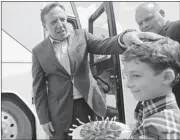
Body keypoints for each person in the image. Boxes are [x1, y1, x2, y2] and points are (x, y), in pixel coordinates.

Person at [32, 2, 161, 139]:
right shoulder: (38, 51)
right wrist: (43, 119)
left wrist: (123, 38)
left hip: (89, 104)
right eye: (53, 22)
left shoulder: (81, 36)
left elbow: (104, 44)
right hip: (59, 111)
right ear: (45, 26)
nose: (60, 24)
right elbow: (38, 89)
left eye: (62, 19)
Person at [122, 37, 180, 139]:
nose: (128, 84)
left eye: (136, 75)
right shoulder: (148, 102)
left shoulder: (161, 129)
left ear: (166, 77)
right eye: (126, 76)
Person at [135, 2, 180, 108]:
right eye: (140, 23)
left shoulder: (177, 27)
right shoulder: (148, 41)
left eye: (148, 19)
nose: (144, 25)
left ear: (162, 13)